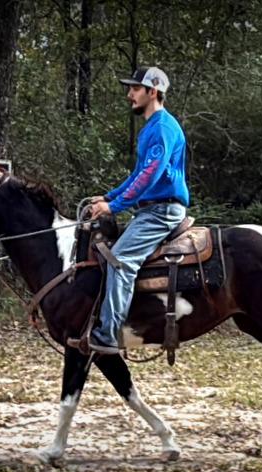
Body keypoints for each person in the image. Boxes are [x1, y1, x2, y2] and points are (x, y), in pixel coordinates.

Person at [87, 66, 189, 355]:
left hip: (162, 211)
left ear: (152, 92)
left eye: (135, 88)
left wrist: (115, 206)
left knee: (120, 261)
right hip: (150, 209)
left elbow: (150, 176)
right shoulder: (152, 129)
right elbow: (137, 176)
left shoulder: (162, 128)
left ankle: (108, 335)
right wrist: (108, 197)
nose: (129, 94)